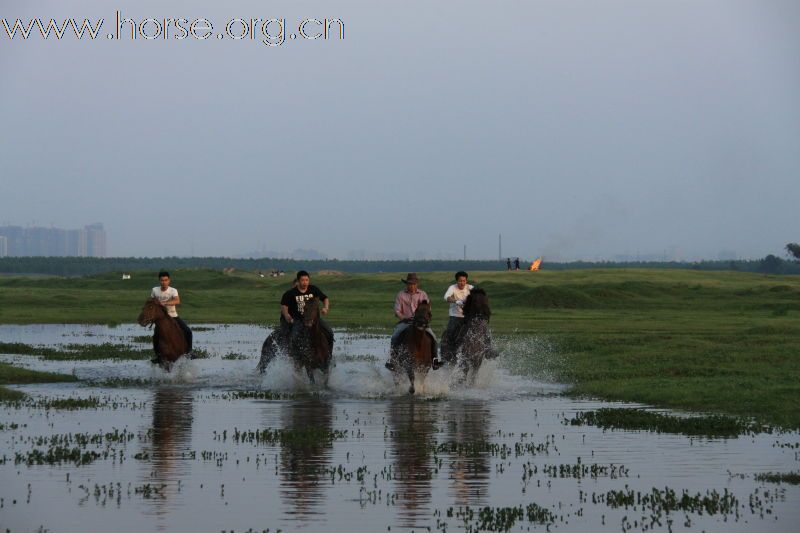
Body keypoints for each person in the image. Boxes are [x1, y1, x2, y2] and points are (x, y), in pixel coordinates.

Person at [386, 273, 439, 370]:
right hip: (405, 322)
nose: (411, 286)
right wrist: (404, 318)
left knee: (434, 338)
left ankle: (435, 360)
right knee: (395, 337)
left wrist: (423, 318)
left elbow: (427, 309)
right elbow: (397, 311)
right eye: (409, 284)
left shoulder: (423, 294)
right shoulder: (400, 295)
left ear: (417, 284)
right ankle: (392, 360)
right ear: (406, 284)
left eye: (413, 284)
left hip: (420, 322)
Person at [280, 270, 334, 348]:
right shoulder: (290, 293)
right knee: (294, 337)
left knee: (330, 333)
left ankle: (329, 356)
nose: (305, 282)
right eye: (302, 280)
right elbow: (284, 306)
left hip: (314, 319)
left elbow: (325, 298)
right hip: (299, 319)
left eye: (307, 280)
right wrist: (286, 315)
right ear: (298, 281)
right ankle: (294, 357)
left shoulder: (313, 289)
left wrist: (325, 308)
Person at [150, 271, 193, 361]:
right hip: (161, 319)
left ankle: (189, 352)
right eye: (162, 280)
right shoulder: (154, 290)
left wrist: (164, 303)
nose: (164, 282)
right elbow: (152, 303)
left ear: (169, 280)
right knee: (155, 336)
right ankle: (157, 355)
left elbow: (177, 301)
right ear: (159, 281)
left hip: (173, 315)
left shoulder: (173, 290)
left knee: (187, 331)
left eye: (166, 280)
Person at [441, 271, 474, 362]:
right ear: (457, 281)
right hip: (455, 315)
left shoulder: (471, 288)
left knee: (481, 328)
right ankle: (448, 350)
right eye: (460, 281)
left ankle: (488, 348)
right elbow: (446, 296)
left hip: (468, 316)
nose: (462, 283)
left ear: (466, 281)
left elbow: (477, 295)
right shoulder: (452, 288)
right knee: (450, 332)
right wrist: (456, 301)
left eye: (464, 281)